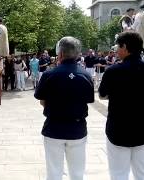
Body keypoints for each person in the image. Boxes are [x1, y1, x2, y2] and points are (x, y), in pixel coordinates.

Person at [99, 32, 144, 180]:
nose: (116, 51)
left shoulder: (113, 71)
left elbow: (102, 95)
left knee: (119, 174)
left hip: (118, 129)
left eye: (117, 47)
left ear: (124, 47)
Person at [35, 36, 94, 180]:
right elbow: (88, 100)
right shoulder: (85, 75)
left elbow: (42, 101)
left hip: (54, 128)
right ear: (78, 54)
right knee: (77, 173)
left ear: (60, 53)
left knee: (54, 173)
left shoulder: (49, 74)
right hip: (77, 128)